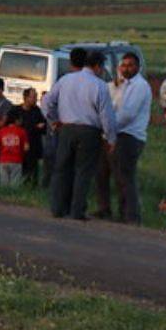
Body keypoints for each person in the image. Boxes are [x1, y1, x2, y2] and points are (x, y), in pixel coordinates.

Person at [42, 48, 117, 220]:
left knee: (61, 169)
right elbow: (106, 116)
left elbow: (46, 102)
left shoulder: (66, 80)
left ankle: (57, 208)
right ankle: (77, 211)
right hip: (90, 132)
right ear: (98, 66)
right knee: (83, 171)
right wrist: (111, 138)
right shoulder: (100, 85)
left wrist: (53, 121)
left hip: (66, 128)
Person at [95, 53, 150, 223]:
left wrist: (108, 130)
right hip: (111, 134)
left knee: (124, 177)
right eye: (123, 65)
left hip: (128, 136)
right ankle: (104, 209)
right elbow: (107, 103)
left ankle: (130, 216)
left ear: (138, 67)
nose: (126, 68)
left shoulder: (140, 86)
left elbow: (127, 115)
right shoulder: (118, 85)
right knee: (101, 173)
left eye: (130, 65)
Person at [19, 88, 47, 185]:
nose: (36, 99)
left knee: (33, 169)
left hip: (34, 146)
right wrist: (35, 127)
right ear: (26, 98)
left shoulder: (37, 111)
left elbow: (43, 126)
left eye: (36, 97)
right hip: (20, 146)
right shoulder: (17, 110)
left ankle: (32, 184)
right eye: (33, 97)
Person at [0, 109, 29, 187]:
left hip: (3, 160)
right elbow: (26, 147)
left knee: (4, 184)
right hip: (16, 160)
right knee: (15, 184)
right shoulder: (22, 131)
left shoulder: (1, 131)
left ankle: (3, 197)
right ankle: (12, 198)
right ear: (16, 120)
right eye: (20, 119)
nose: (21, 121)